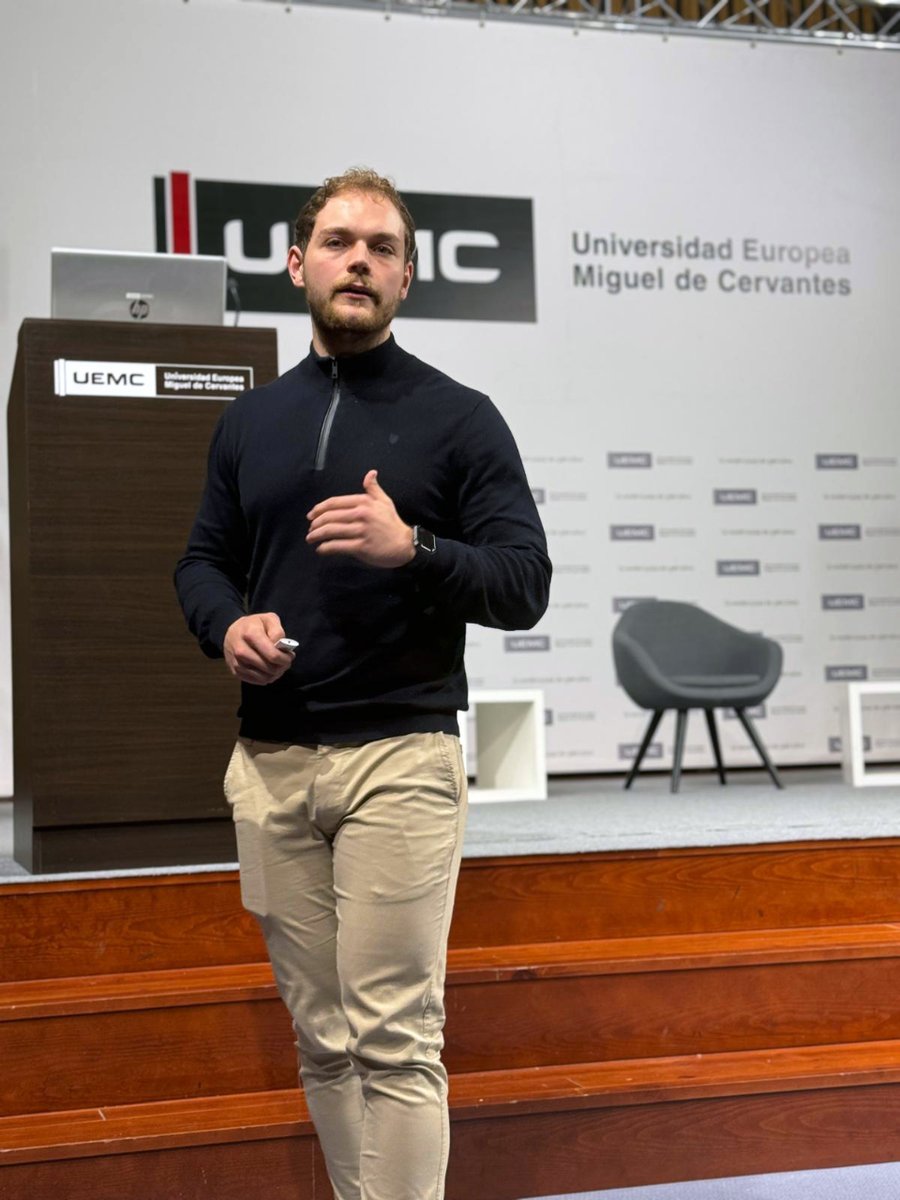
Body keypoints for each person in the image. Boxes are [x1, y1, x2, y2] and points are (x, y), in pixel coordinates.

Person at [175, 167, 551, 1200]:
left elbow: (525, 584)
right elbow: (200, 561)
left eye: (382, 248)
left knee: (393, 1035)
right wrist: (226, 624)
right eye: (339, 242)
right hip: (273, 762)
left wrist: (415, 547)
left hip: (402, 757)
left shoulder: (461, 419)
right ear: (297, 265)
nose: (359, 261)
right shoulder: (249, 424)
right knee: (323, 1038)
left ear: (406, 278)